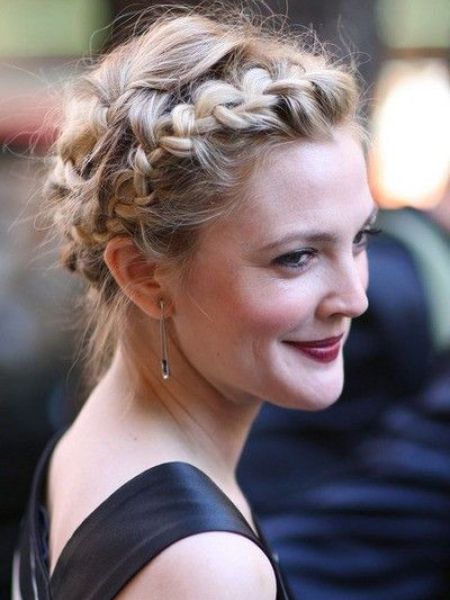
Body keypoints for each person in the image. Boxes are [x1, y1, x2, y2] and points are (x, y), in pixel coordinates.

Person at [13, 7, 378, 599]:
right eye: (296, 257)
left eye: (360, 238)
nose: (354, 298)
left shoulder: (98, 441)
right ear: (143, 275)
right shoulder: (206, 567)